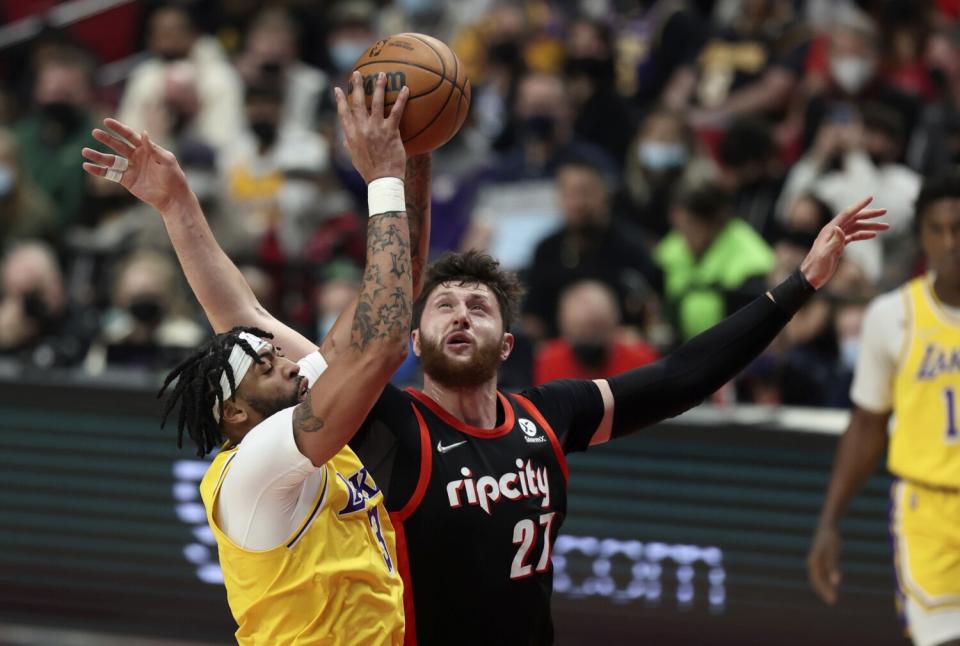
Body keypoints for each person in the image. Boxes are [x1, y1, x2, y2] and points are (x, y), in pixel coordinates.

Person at [99, 86, 888, 646]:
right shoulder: (369, 420)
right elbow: (323, 328)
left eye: (480, 304)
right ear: (414, 341)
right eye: (443, 305)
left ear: (510, 342)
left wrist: (796, 288)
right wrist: (382, 175)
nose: (460, 312)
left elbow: (682, 377)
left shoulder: (544, 418)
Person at [82, 72, 419, 643]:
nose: (288, 359)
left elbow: (251, 316)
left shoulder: (287, 411)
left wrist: (176, 203)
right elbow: (384, 345)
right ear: (234, 413)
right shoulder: (257, 465)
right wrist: (383, 179)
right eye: (266, 366)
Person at [807, 173, 960, 646]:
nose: (951, 241)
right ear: (922, 239)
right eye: (939, 229)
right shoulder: (891, 316)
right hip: (929, 511)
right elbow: (867, 426)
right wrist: (830, 522)